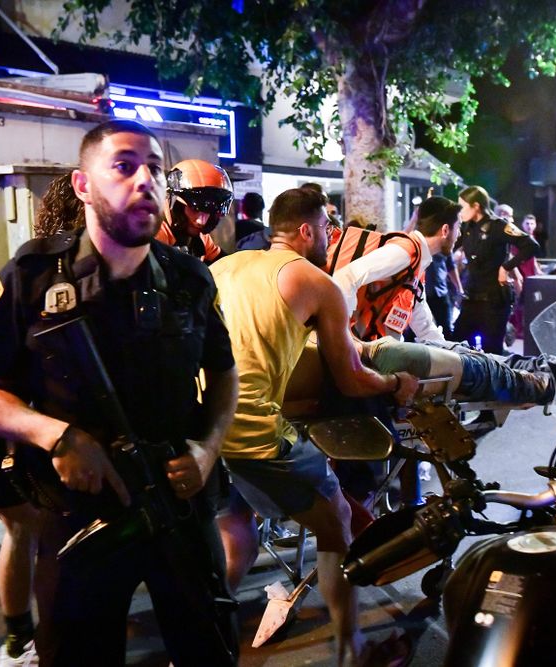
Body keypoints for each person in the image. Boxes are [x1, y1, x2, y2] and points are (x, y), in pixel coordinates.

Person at [0, 119, 240, 665]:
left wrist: (207, 452)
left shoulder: (190, 278)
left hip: (178, 508)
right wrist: (58, 437)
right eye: (124, 166)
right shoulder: (34, 276)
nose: (145, 181)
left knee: (209, 649)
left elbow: (226, 375)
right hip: (81, 517)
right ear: (83, 185)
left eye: (155, 169)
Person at [210, 187, 418, 665]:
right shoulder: (316, 282)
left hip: (204, 429)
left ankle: (200, 641)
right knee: (336, 522)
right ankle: (353, 651)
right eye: (327, 227)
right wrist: (395, 384)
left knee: (235, 530)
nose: (331, 236)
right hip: (252, 430)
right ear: (306, 230)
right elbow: (350, 377)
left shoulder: (222, 268)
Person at [329, 195, 461, 343]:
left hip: (370, 348)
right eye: (458, 227)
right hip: (356, 348)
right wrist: (343, 338)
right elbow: (345, 277)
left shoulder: (416, 262)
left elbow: (424, 326)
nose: (459, 234)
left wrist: (452, 351)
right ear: (445, 230)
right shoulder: (404, 252)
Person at [452, 185, 539, 354]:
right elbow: (449, 246)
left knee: (492, 351)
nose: (460, 211)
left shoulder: (499, 226)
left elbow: (531, 246)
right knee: (458, 346)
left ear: (476, 206)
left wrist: (506, 268)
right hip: (472, 298)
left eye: (463, 206)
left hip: (494, 300)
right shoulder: (467, 227)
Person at [156, 158, 231, 264]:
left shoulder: (201, 238)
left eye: (208, 211)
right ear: (176, 205)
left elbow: (225, 262)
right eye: (194, 209)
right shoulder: (156, 234)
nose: (201, 221)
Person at [508, 213, 543, 339]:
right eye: (527, 223)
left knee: (528, 302)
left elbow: (532, 257)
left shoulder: (531, 237)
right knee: (520, 303)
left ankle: (523, 328)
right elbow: (513, 257)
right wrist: (516, 275)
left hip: (530, 276)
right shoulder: (520, 238)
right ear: (523, 224)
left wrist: (537, 269)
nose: (529, 226)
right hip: (521, 276)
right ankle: (517, 329)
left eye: (532, 223)